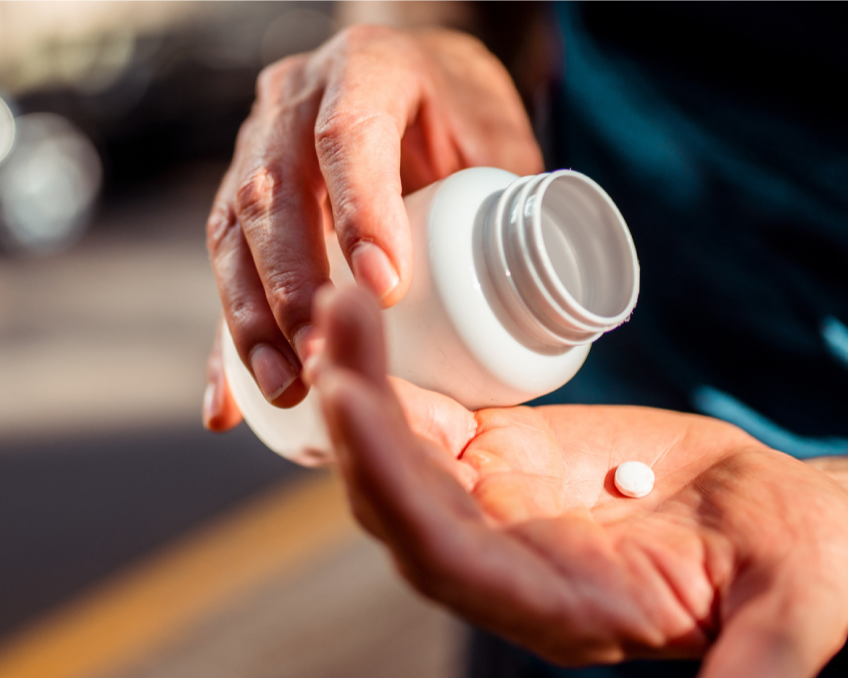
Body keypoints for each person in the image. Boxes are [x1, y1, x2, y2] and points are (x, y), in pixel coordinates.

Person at [202, 1, 848, 675]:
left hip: (801, 526)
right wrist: (421, 37)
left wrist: (837, 497)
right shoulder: (543, 366)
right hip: (549, 493)